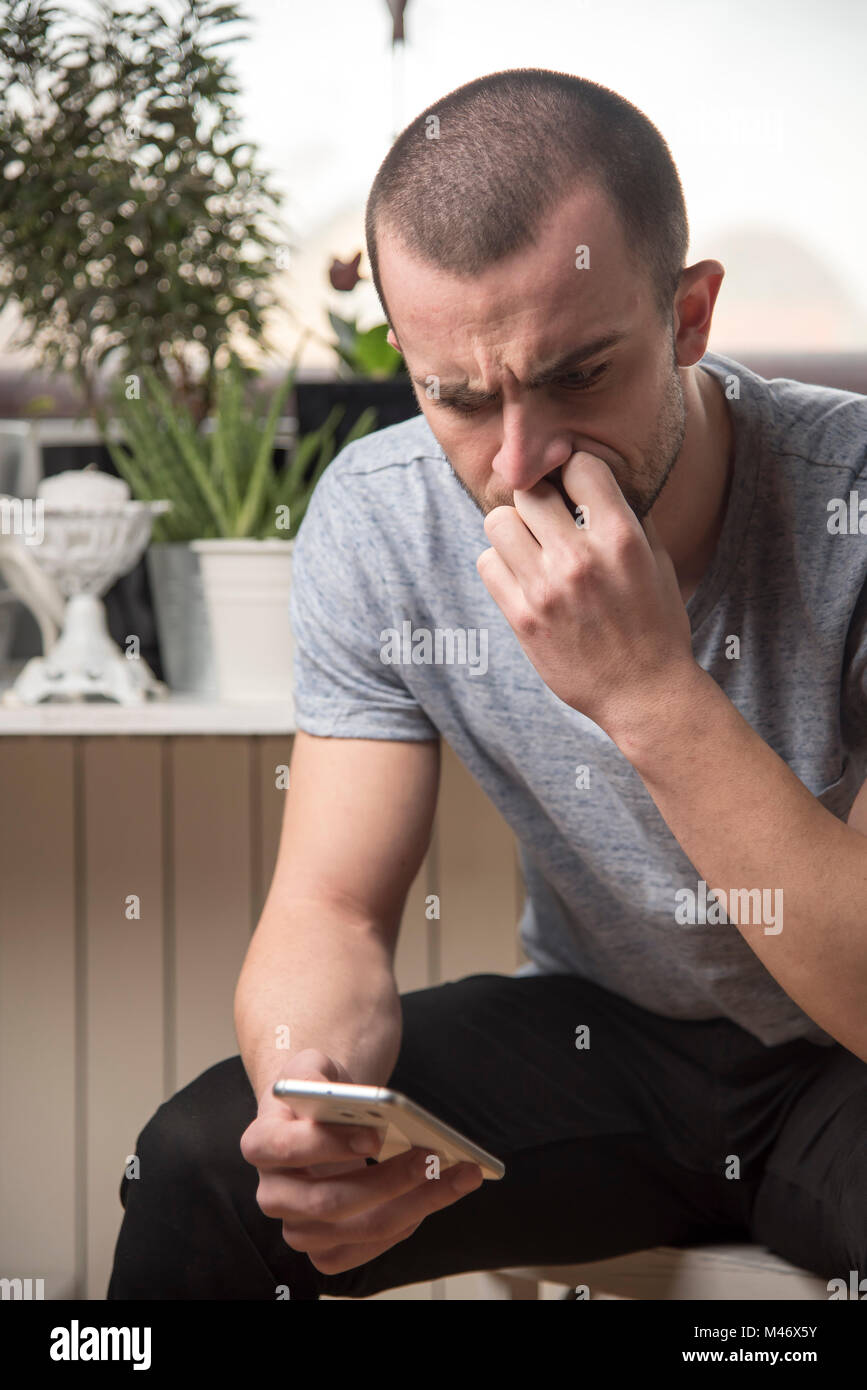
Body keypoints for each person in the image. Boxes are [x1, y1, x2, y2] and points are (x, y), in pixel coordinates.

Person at [107, 68, 867, 1301]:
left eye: (576, 375)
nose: (518, 461)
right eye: (456, 398)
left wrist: (648, 694)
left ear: (689, 317)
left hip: (844, 1059)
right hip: (598, 1034)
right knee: (195, 1168)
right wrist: (315, 1106)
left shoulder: (852, 501)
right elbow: (331, 912)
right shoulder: (382, 518)